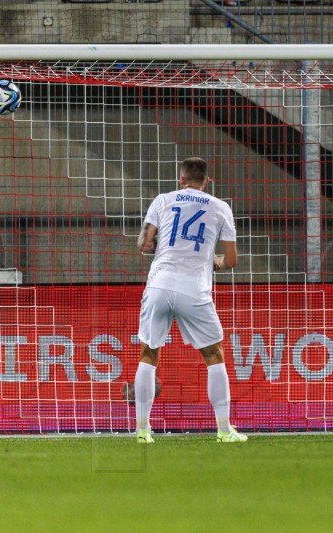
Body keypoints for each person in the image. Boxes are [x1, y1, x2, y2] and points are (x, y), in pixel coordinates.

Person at [133, 157, 246, 443]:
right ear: (206, 181)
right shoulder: (221, 207)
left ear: (181, 179)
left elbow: (144, 245)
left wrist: (167, 247)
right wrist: (214, 262)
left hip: (159, 282)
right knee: (213, 356)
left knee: (148, 354)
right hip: (194, 288)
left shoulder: (163, 200)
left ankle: (143, 431)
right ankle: (223, 431)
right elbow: (231, 260)